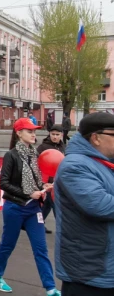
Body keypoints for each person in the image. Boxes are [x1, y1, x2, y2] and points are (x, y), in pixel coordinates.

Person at [0, 118, 59, 295]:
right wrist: (28, 194)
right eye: (29, 131)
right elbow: (3, 183)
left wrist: (44, 186)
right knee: (7, 244)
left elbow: (35, 181)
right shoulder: (11, 155)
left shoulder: (35, 154)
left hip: (34, 209)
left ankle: (50, 288)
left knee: (41, 249)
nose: (34, 134)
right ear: (19, 133)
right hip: (15, 207)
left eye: (34, 131)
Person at [54, 113, 114, 295]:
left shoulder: (104, 163)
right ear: (95, 138)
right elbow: (100, 205)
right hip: (89, 271)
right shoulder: (75, 166)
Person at [36, 124, 66, 234]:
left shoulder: (63, 147)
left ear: (61, 135)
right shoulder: (43, 147)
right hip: (46, 181)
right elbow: (37, 163)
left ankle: (38, 223)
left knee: (47, 205)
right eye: (52, 134)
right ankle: (61, 228)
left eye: (57, 135)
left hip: (58, 180)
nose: (54, 137)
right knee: (55, 205)